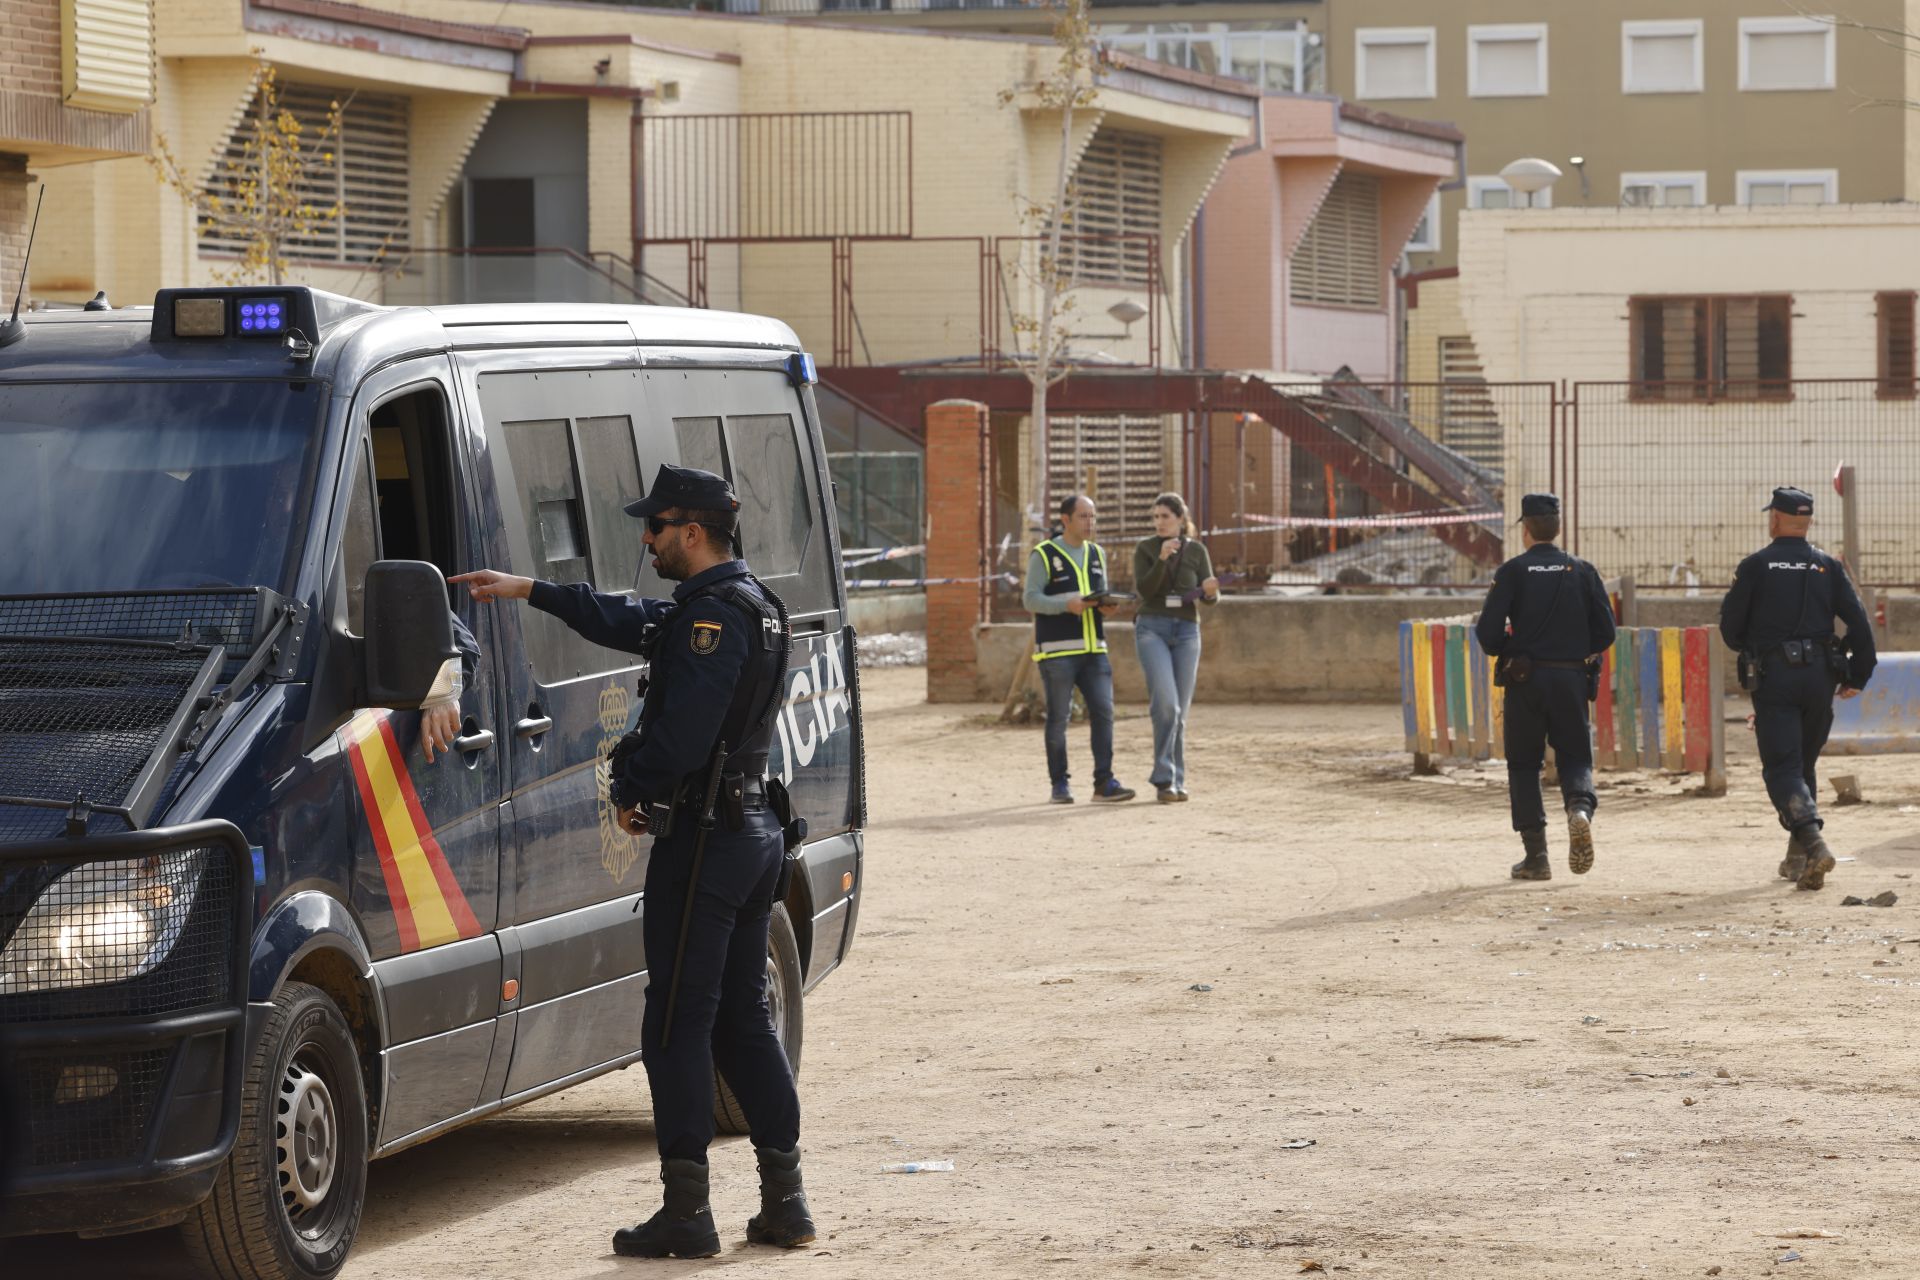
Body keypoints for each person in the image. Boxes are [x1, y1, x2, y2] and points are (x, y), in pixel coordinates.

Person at [450, 464, 814, 1259]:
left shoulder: (712, 621)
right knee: (744, 1021)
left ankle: (688, 1214)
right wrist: (527, 590)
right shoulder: (748, 606)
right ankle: (786, 1202)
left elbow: (683, 735)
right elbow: (629, 618)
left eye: (654, 527)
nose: (644, 540)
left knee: (676, 1026)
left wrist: (632, 781)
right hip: (752, 836)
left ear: (691, 531)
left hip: (709, 844)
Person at [1719, 485, 1877, 892]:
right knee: (1803, 766)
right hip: (1821, 677)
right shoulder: (1827, 565)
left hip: (1776, 678)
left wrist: (1753, 644)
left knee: (1782, 769)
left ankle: (1815, 843)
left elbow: (1731, 630)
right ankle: (1798, 858)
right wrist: (1857, 676)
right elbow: (1859, 625)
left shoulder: (1755, 565)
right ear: (1807, 523)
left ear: (1774, 518)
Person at [1474, 493, 1617, 881]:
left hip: (1525, 681)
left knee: (1523, 765)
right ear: (1557, 528)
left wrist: (1512, 651)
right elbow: (1605, 632)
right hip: (1571, 679)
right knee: (1575, 758)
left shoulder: (1512, 572)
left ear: (1525, 530)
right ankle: (1580, 811)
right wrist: (1572, 653)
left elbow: (1487, 635)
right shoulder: (1582, 570)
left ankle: (1536, 857)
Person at [1024, 494, 1135, 805]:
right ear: (1066, 520)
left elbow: (1099, 595)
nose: (1091, 522)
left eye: (1093, 516)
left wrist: (1106, 608)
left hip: (1095, 649)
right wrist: (1065, 605)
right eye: (1084, 516)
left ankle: (1104, 782)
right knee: (1059, 717)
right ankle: (1059, 784)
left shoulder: (1097, 553)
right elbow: (1030, 599)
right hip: (1058, 652)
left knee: (1104, 712)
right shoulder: (1044, 554)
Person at [1131, 493, 1219, 803]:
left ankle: (1174, 782)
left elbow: (1210, 598)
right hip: (1151, 627)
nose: (1159, 523)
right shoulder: (1145, 549)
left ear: (1181, 519)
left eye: (1165, 517)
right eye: (1155, 517)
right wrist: (1162, 559)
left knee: (1180, 712)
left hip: (1186, 632)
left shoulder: (1197, 551)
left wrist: (1209, 592)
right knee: (1166, 704)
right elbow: (1145, 589)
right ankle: (1163, 775)